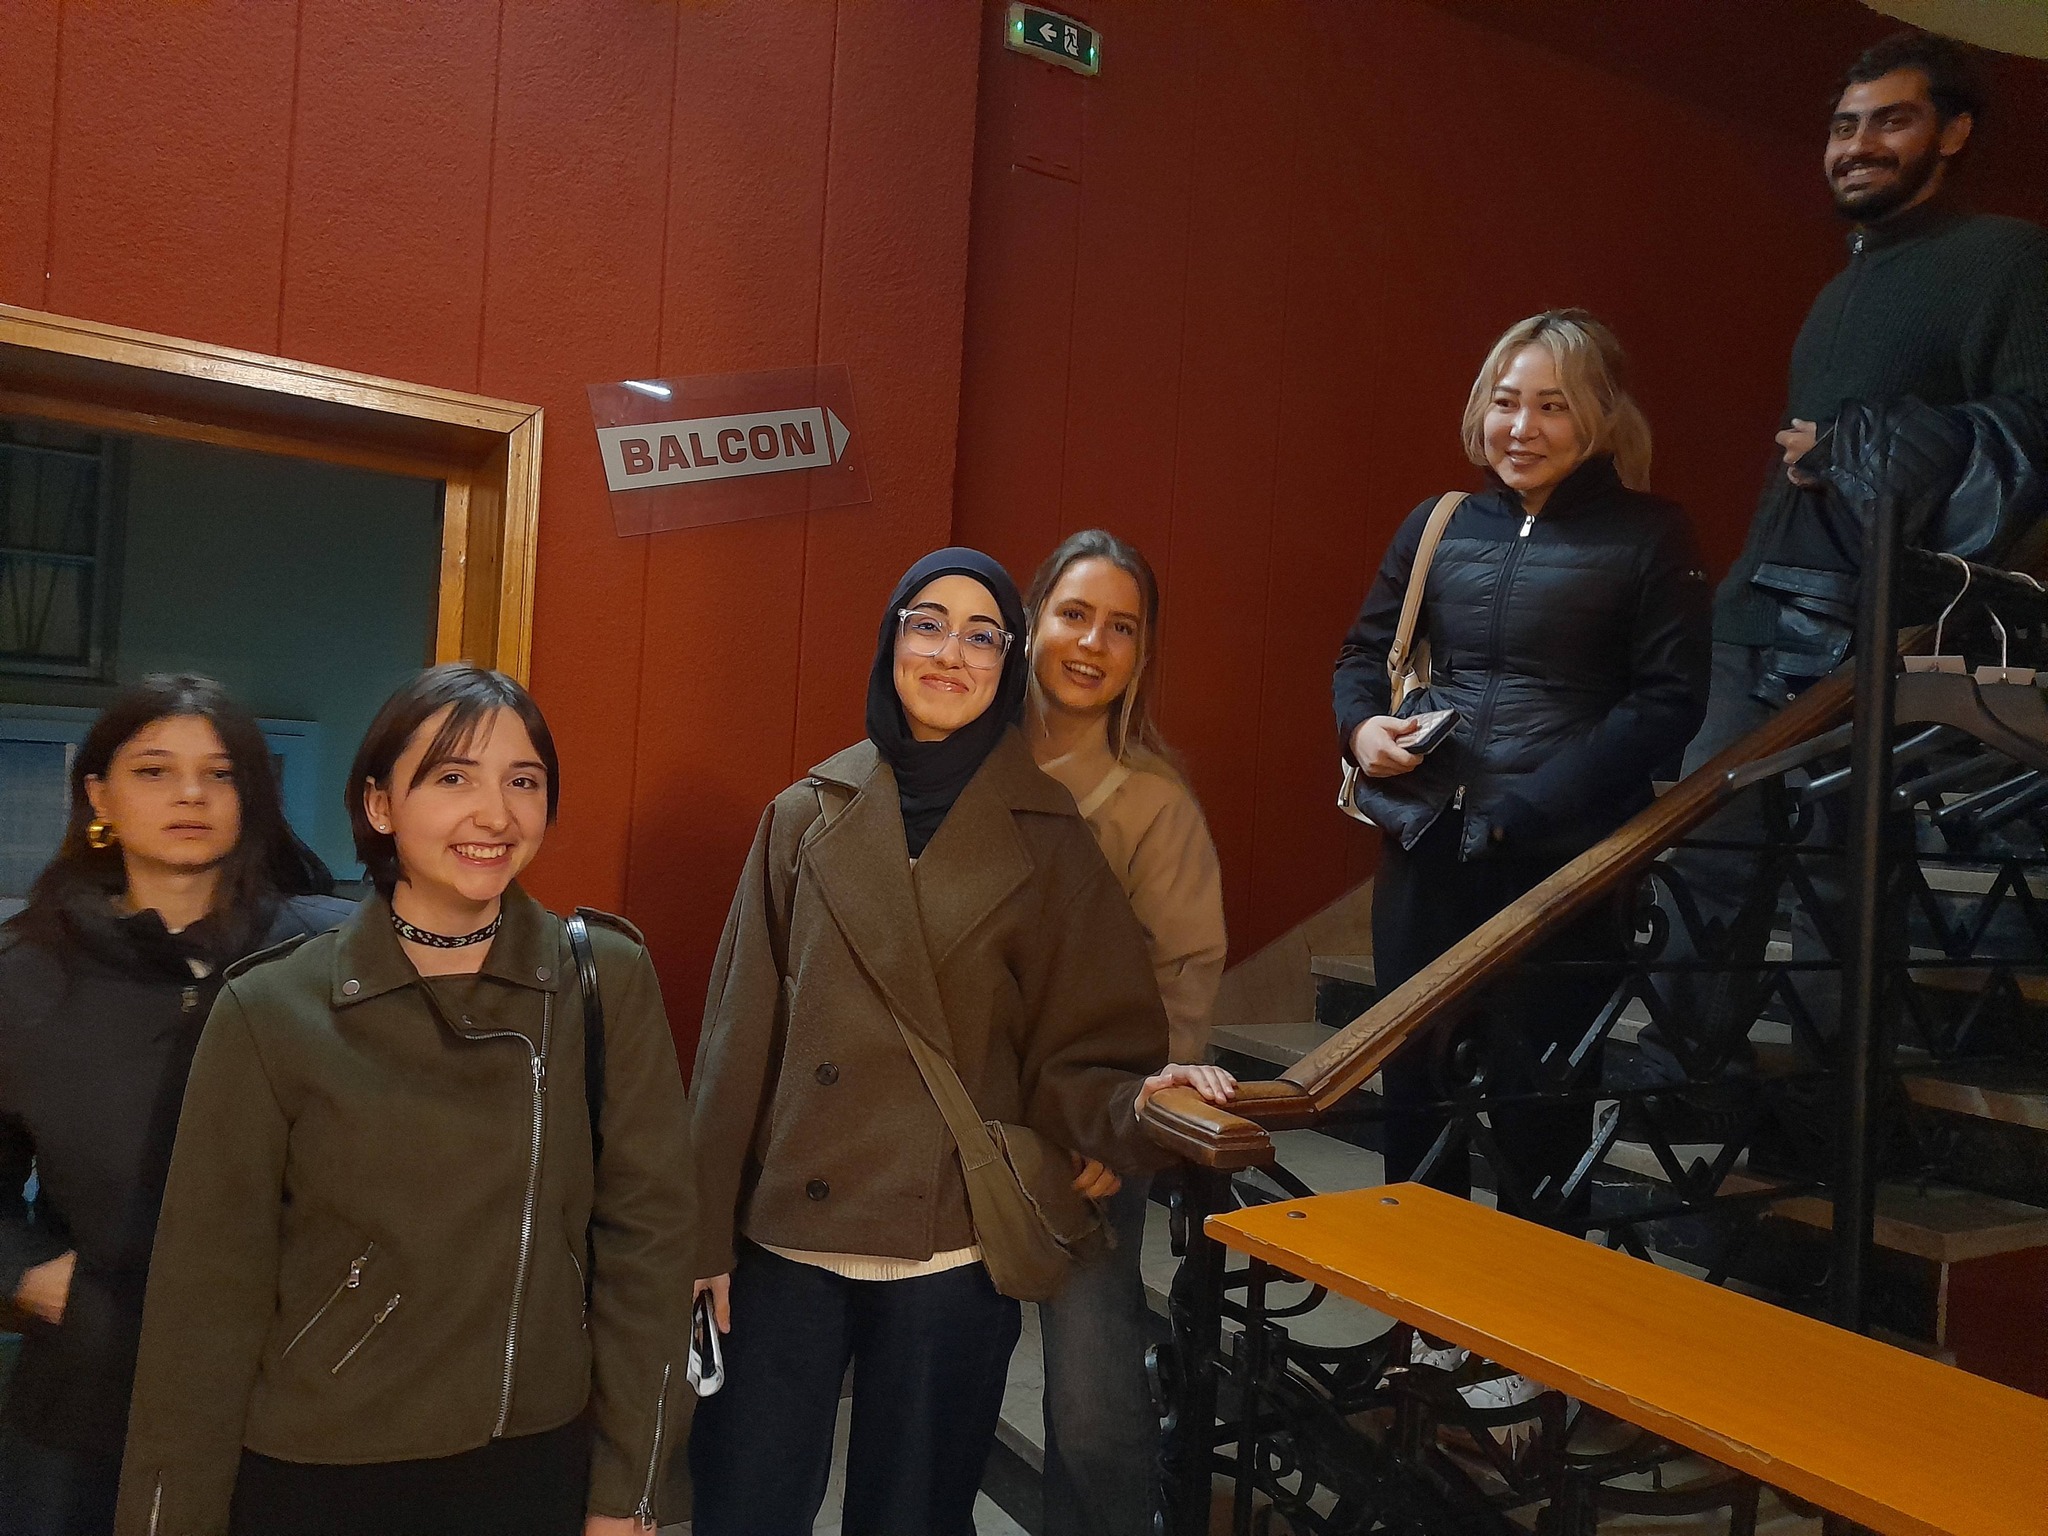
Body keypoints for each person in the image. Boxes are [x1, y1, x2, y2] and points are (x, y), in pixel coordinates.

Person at [688, 548, 1212, 1536]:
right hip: (787, 1239)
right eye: (926, 624)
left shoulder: (1051, 838)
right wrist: (702, 1234)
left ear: (1007, 664)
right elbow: (735, 1041)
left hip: (950, 1243)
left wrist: (1130, 1110)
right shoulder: (800, 816)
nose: (949, 653)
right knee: (747, 1505)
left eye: (981, 636)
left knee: (915, 1518)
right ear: (891, 641)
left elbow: (1086, 1042)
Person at [111, 664, 697, 1536]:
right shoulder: (272, 1008)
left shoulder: (602, 980)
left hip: (531, 1454)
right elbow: (205, 1300)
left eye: (524, 782)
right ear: (380, 803)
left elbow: (649, 1246)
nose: (495, 815)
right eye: (453, 778)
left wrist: (630, 1492)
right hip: (322, 1462)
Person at [1654, 31, 2048, 1089]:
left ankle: (1835, 1111)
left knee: (1843, 875)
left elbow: (2034, 432)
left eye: (1890, 121)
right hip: (1757, 613)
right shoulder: (1842, 285)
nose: (1857, 145)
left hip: (1877, 626)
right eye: (1843, 126)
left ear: (1952, 133)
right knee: (1709, 856)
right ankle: (1680, 1092)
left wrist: (1853, 444)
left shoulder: (2008, 257)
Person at [1332, 310, 1710, 1219]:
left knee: (1538, 1105)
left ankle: (1528, 1307)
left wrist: (1530, 807)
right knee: (1415, 1090)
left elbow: (1668, 703)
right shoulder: (1438, 523)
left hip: (1562, 861)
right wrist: (1362, 730)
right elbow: (1363, 654)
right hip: (1427, 843)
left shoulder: (1652, 534)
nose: (1521, 427)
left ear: (1600, 416)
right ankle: (1417, 1292)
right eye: (1506, 402)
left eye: (1552, 405)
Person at [0, 676, 348, 1536]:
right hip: (89, 1399)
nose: (190, 794)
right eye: (154, 770)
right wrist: (42, 1282)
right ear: (99, 795)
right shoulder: (25, 973)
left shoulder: (334, 956)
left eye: (220, 774)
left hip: (300, 1395)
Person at [1021, 529, 1234, 1536]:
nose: (1091, 644)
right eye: (1073, 614)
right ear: (1032, 622)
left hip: (1092, 1135)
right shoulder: (963, 763)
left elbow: (1184, 985)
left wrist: (1123, 1125)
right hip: (967, 1115)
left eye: (1121, 627)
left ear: (1140, 654)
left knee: (1092, 1396)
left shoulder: (1153, 804)